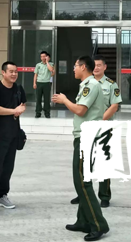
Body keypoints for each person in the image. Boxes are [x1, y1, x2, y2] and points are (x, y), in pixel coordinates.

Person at [52, 56, 109, 242]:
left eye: (75, 65)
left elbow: (80, 110)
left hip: (87, 137)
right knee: (83, 180)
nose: (73, 69)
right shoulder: (87, 85)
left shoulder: (90, 85)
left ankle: (98, 225)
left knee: (82, 183)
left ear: (83, 67)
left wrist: (64, 100)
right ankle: (83, 221)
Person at [71, 55, 121, 208]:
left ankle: (104, 195)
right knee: (84, 163)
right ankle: (85, 193)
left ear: (105, 67)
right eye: (95, 65)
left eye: (100, 65)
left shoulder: (111, 84)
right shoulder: (87, 84)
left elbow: (114, 106)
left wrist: (100, 119)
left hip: (104, 128)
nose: (97, 67)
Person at [0, 61, 27, 218]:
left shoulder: (18, 88)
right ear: (3, 72)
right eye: (11, 71)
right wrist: (13, 111)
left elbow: (22, 105)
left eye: (16, 71)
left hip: (13, 134)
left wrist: (20, 109)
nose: (14, 74)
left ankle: (2, 195)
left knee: (8, 167)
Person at [33, 50, 54, 118]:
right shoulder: (38, 65)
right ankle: (38, 112)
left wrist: (47, 62)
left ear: (47, 57)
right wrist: (34, 83)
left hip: (47, 83)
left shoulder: (51, 64)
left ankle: (47, 113)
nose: (42, 58)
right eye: (41, 56)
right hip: (39, 83)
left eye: (44, 56)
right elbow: (35, 75)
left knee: (46, 99)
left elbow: (51, 70)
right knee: (38, 99)